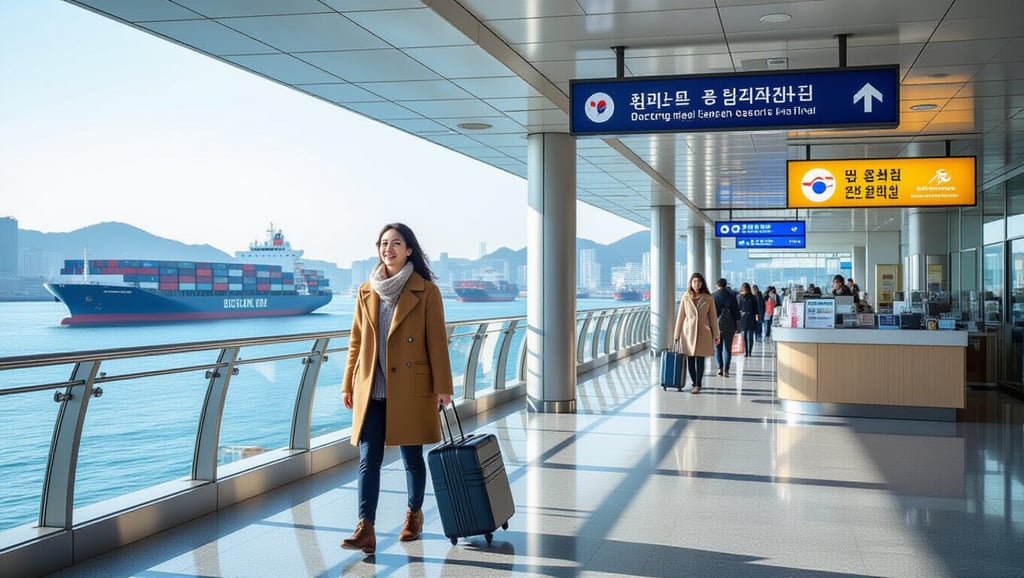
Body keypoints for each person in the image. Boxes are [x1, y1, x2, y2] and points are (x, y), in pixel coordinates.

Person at [340, 223, 454, 555]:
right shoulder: (366, 291)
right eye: (383, 243)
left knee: (412, 459)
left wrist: (442, 387)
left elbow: (437, 344)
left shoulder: (426, 291)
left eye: (396, 243)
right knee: (367, 459)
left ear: (408, 250)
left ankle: (413, 515)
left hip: (410, 388)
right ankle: (366, 528)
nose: (388, 248)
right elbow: (356, 342)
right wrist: (348, 383)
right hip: (372, 389)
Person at [674, 272, 720, 394]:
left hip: (703, 332)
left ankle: (698, 384)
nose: (696, 284)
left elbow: (713, 318)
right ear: (691, 283)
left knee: (700, 360)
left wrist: (716, 335)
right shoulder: (686, 297)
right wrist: (676, 334)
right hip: (687, 332)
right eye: (694, 281)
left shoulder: (708, 298)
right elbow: (680, 316)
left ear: (702, 283)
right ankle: (694, 382)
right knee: (690, 360)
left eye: (699, 282)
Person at [712, 278, 740, 378]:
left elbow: (711, 313)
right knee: (727, 349)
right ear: (725, 284)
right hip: (730, 325)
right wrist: (737, 325)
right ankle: (726, 370)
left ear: (717, 285)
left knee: (717, 348)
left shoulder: (713, 296)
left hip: (717, 326)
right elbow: (736, 312)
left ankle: (720, 368)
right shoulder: (732, 296)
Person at [737, 282, 759, 357]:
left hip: (746, 317)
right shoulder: (750, 297)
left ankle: (747, 351)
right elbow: (756, 308)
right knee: (748, 336)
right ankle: (748, 351)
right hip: (748, 317)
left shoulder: (741, 297)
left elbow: (738, 308)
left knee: (747, 336)